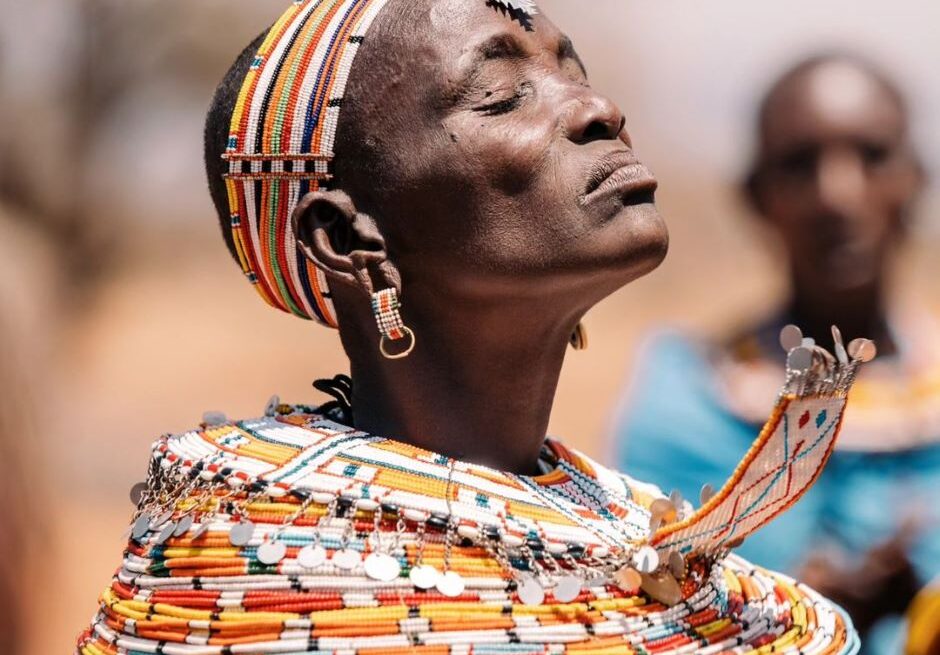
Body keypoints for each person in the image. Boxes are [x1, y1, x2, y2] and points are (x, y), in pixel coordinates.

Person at [77, 4, 867, 654]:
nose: (599, 110)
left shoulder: (646, 550)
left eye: (573, 70)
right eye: (500, 94)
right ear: (350, 241)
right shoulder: (231, 582)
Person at [614, 53, 939, 654]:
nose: (837, 193)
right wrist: (790, 614)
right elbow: (650, 610)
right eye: (800, 163)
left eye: (871, 155)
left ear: (915, 178)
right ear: (756, 197)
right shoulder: (686, 398)